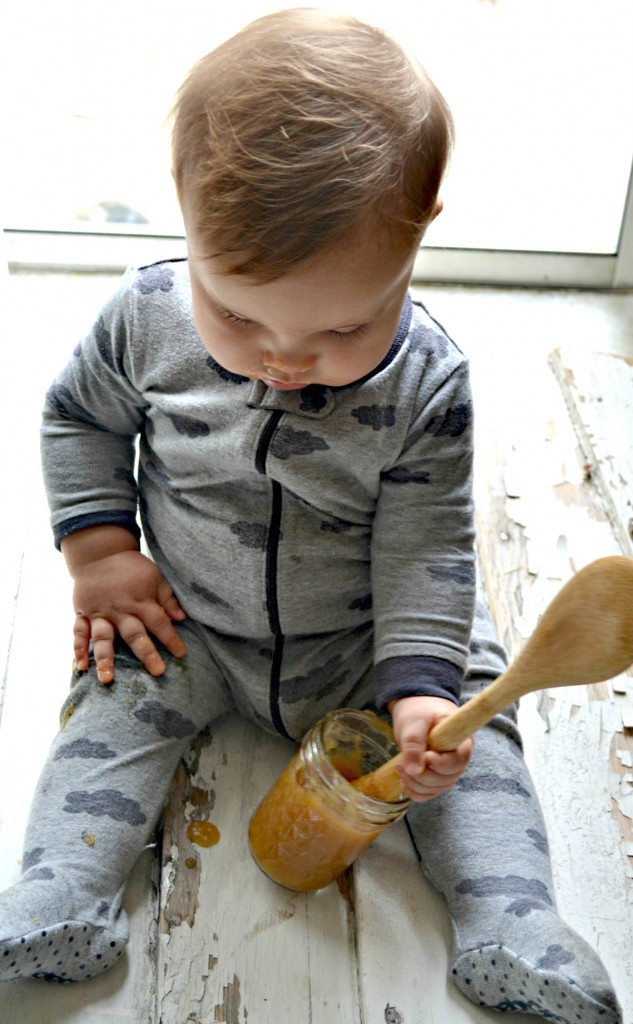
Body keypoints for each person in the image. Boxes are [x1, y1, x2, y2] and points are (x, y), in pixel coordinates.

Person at [0, 9, 621, 1020]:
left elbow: (427, 545)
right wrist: (102, 550)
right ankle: (61, 892)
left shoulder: (430, 381)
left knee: (472, 744)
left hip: (375, 637)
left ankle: (513, 922)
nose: (285, 359)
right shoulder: (143, 320)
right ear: (185, 220)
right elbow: (78, 418)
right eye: (238, 317)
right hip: (193, 620)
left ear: (420, 236)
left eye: (341, 326)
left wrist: (417, 688)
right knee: (106, 707)